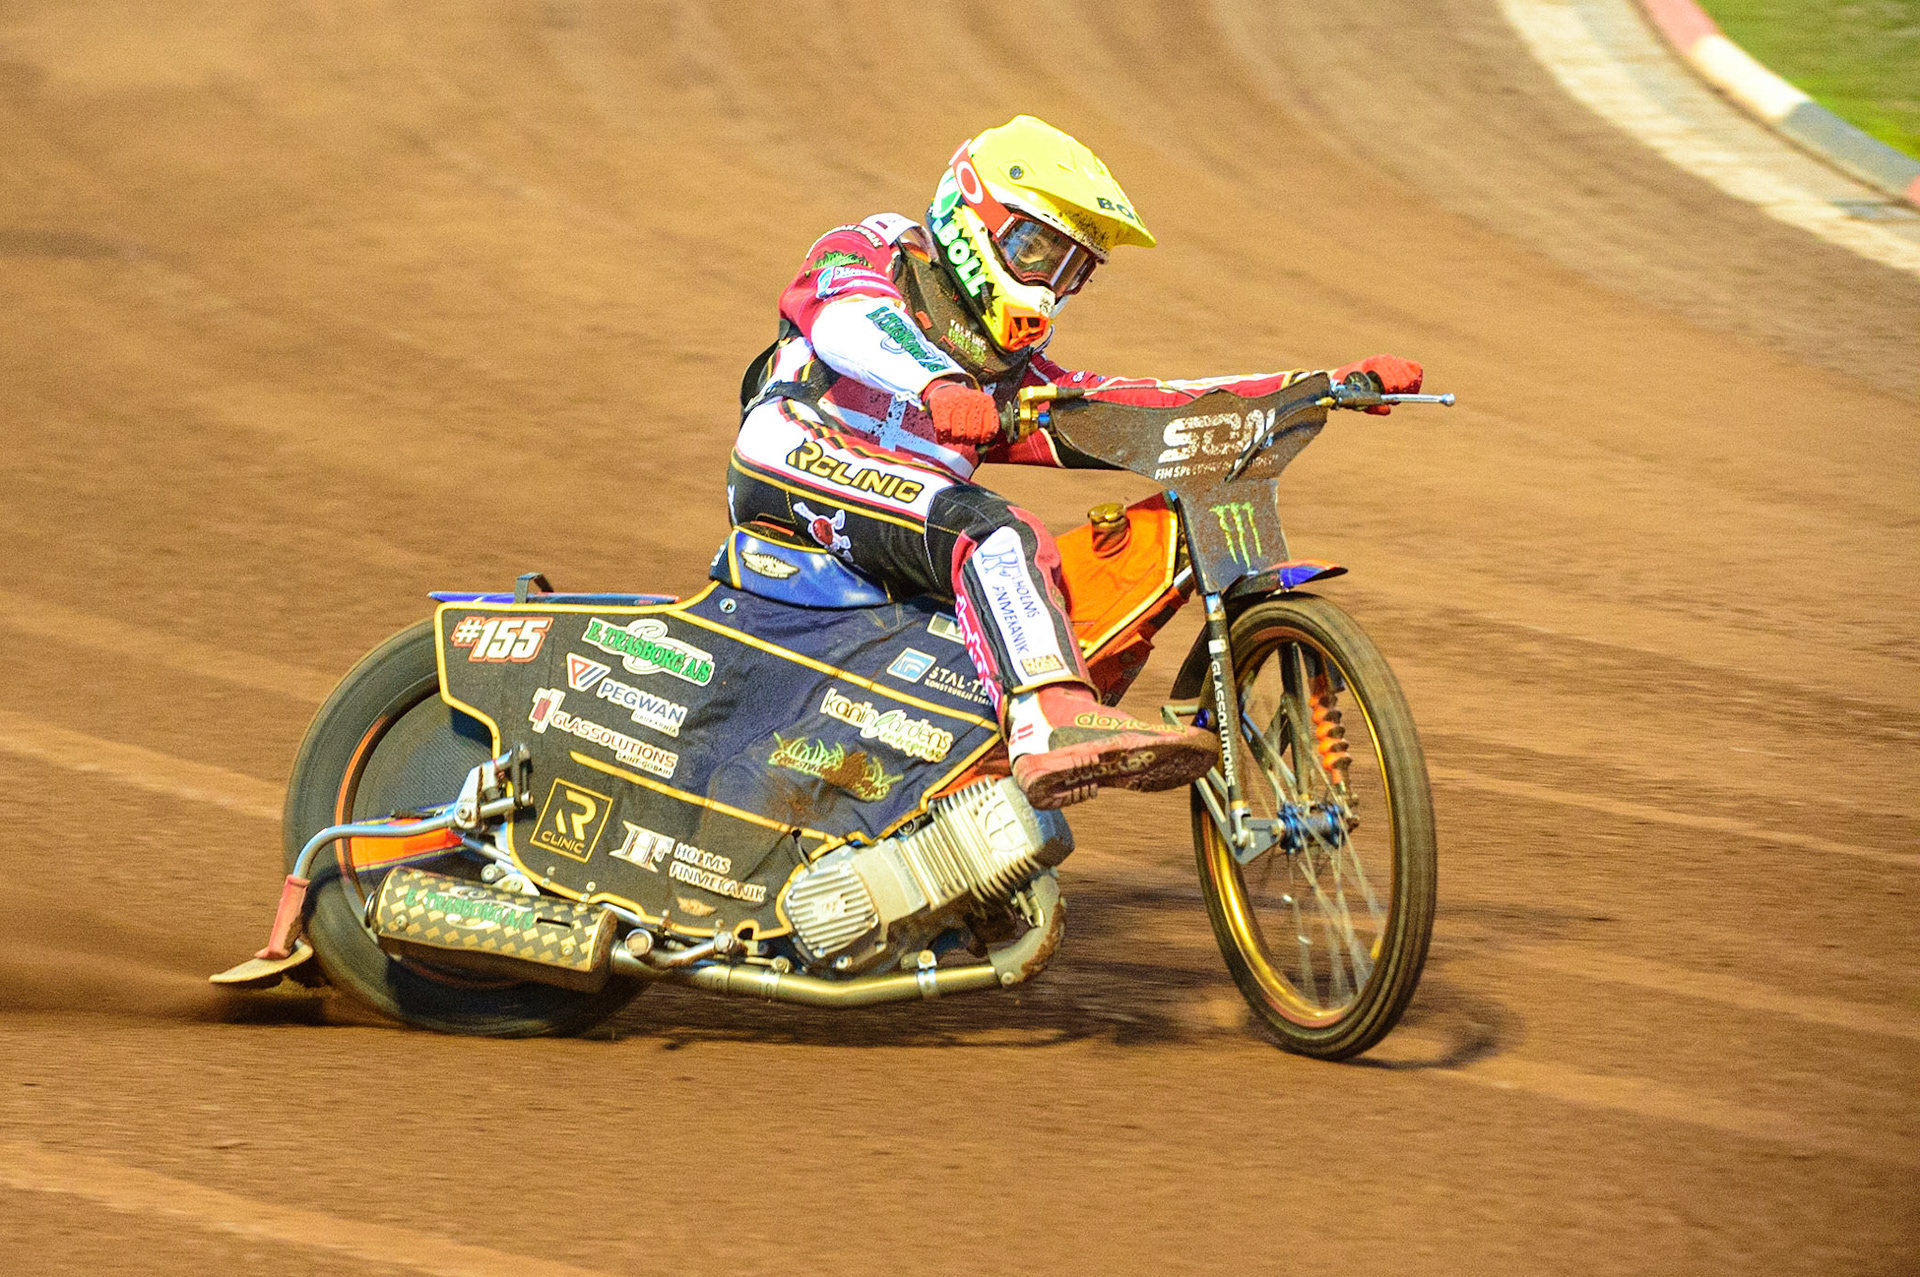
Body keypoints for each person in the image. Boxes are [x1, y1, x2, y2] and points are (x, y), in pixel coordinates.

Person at [730, 115, 1422, 810]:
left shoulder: (1009, 371)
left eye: (1071, 268)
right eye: (1036, 249)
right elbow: (849, 319)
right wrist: (936, 385)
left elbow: (1130, 404)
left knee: (1064, 560)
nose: (1048, 283)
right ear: (972, 215)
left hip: (901, 526)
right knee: (996, 534)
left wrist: (1315, 386)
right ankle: (1045, 724)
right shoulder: (871, 250)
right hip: (790, 454)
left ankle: (983, 778)